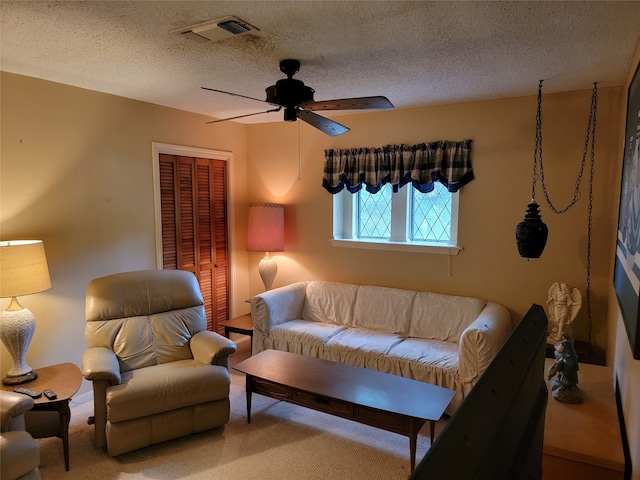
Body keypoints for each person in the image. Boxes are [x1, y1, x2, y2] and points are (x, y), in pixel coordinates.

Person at [547, 332, 583, 404]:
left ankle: (568, 387)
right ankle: (565, 386)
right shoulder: (568, 353)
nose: (559, 346)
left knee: (567, 379)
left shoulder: (568, 356)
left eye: (560, 345)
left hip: (568, 372)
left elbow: (558, 365)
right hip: (566, 371)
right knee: (563, 378)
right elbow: (570, 340)